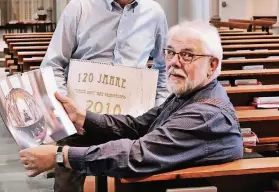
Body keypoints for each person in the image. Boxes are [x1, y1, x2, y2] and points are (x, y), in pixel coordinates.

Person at [20, 20, 244, 180]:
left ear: (212, 65)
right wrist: (83, 117)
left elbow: (137, 154)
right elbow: (138, 126)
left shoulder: (205, 115)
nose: (174, 62)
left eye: (187, 55)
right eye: (170, 52)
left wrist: (60, 156)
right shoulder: (188, 94)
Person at [40, 0, 169, 192]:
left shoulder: (155, 14)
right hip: (79, 118)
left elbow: (163, 69)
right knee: (66, 187)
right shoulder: (80, 6)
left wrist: (156, 109)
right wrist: (67, 107)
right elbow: (52, 64)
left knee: (144, 184)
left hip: (130, 120)